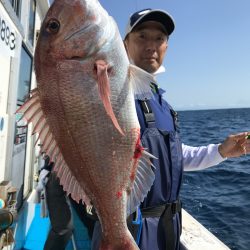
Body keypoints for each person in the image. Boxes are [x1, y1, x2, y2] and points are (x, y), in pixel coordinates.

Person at [91, 8, 250, 250]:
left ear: (166, 46)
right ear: (123, 44)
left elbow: (174, 157)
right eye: (142, 36)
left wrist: (221, 151)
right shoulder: (113, 92)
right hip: (130, 226)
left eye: (160, 38)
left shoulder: (161, 102)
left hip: (167, 228)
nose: (151, 45)